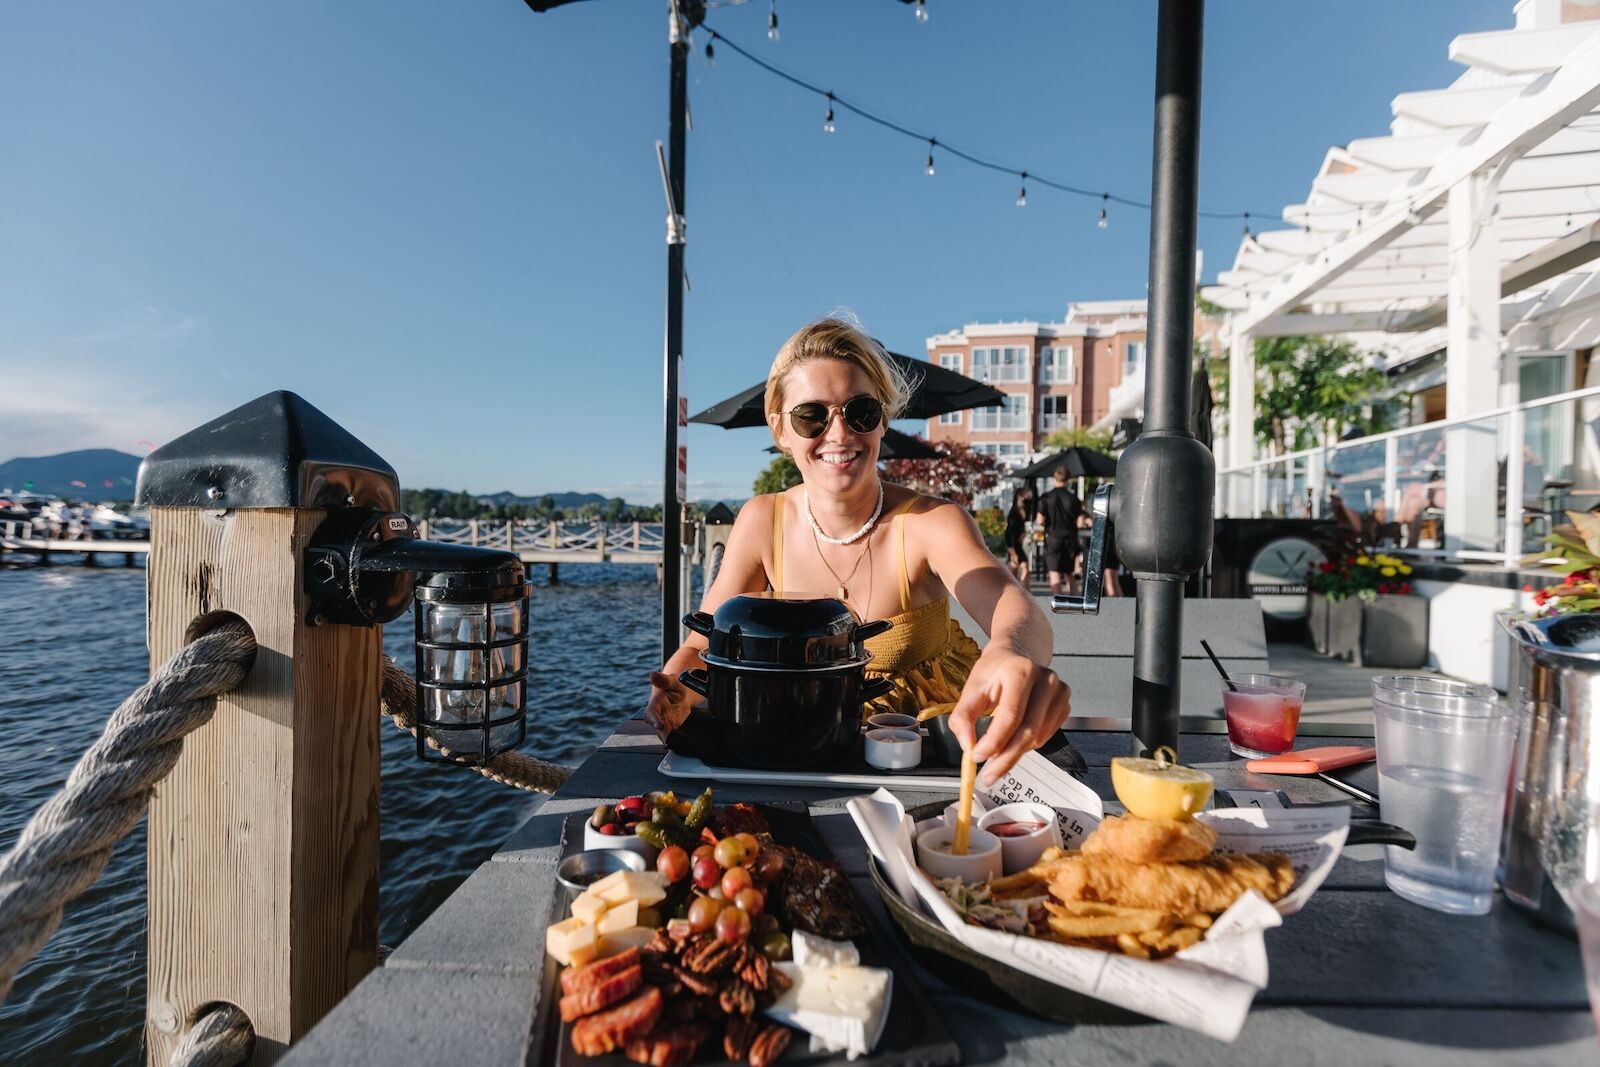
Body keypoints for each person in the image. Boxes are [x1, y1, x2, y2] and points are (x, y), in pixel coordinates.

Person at [646, 317, 1072, 785]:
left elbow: (1015, 609)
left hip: (941, 753)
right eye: (811, 415)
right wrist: (676, 689)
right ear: (780, 430)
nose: (840, 433)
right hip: (809, 753)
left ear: (883, 421)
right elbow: (704, 643)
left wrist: (1010, 651)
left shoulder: (931, 521)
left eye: (861, 411)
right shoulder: (761, 521)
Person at [1035, 467, 1082, 596]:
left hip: (1053, 539)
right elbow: (1079, 522)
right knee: (1070, 574)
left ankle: (1058, 603)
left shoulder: (1046, 497)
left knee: (1054, 574)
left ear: (1054, 478)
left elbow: (1039, 520)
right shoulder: (1073, 498)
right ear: (1068, 479)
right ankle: (1076, 602)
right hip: (1070, 539)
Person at [1003, 487, 1032, 586]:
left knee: (1017, 567)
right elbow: (1009, 532)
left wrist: (1024, 532)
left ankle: (1020, 590)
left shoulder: (1026, 509)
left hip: (1018, 543)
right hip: (1012, 542)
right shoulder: (1014, 513)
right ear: (1019, 496)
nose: (1027, 497)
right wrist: (1012, 551)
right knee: (1019, 566)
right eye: (1024, 495)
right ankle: (1021, 590)